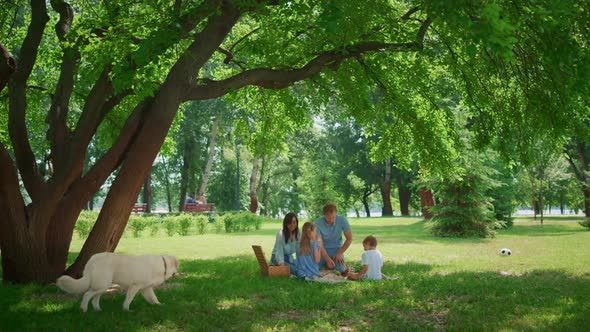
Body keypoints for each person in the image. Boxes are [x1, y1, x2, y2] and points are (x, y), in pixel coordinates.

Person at [315, 203, 352, 275]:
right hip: (322, 250)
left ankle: (345, 267)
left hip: (337, 249)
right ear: (324, 215)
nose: (331, 220)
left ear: (336, 214)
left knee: (340, 270)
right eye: (328, 218)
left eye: (333, 217)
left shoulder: (342, 220)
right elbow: (320, 244)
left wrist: (340, 253)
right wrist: (327, 258)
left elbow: (349, 239)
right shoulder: (318, 223)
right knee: (318, 269)